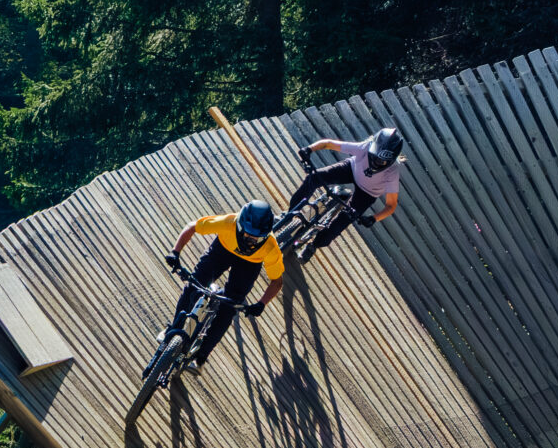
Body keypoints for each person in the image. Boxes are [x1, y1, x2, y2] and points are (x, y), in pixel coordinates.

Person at [162, 200, 286, 363]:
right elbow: (193, 227)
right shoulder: (229, 222)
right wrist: (175, 253)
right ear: (240, 226)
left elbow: (277, 281)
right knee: (194, 286)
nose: (250, 241)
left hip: (250, 264)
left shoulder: (270, 247)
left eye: (256, 238)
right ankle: (174, 329)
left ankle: (200, 357)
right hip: (222, 250)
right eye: (248, 235)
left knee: (228, 309)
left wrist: (261, 303)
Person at [288, 127, 404, 257]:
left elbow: (391, 205)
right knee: (314, 178)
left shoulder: (392, 172)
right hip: (351, 170)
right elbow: (328, 143)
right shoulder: (364, 148)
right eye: (374, 157)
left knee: (338, 226)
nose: (376, 163)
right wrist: (308, 149)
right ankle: (290, 215)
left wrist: (373, 219)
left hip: (368, 193)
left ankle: (314, 245)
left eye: (382, 162)